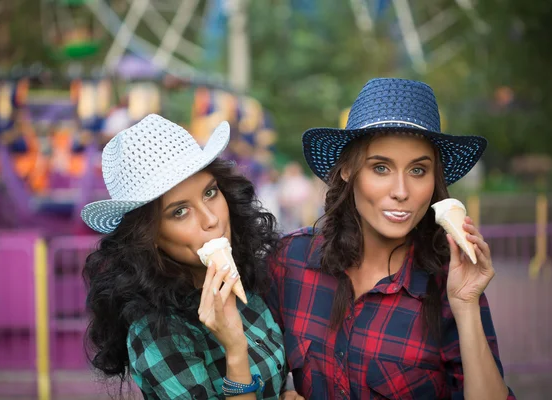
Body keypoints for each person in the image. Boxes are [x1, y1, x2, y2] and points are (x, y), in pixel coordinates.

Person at [266, 78, 517, 399]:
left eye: (417, 171)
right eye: (381, 168)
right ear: (347, 170)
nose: (401, 192)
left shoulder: (449, 285)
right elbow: (250, 370)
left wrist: (466, 306)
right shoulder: (291, 261)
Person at [81, 114, 287, 399]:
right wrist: (235, 351)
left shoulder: (249, 280)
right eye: (179, 211)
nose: (211, 219)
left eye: (210, 193)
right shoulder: (158, 334)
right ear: (148, 238)